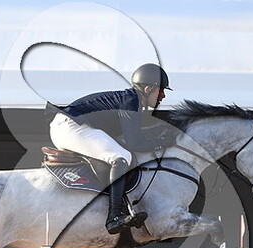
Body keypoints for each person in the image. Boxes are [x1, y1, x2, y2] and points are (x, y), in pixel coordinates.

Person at [48, 63, 174, 234]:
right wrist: (162, 143)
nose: (163, 96)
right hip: (70, 127)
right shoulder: (132, 101)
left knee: (121, 152)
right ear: (147, 89)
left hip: (69, 126)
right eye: (161, 90)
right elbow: (135, 143)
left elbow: (131, 138)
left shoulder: (131, 99)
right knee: (121, 157)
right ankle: (114, 216)